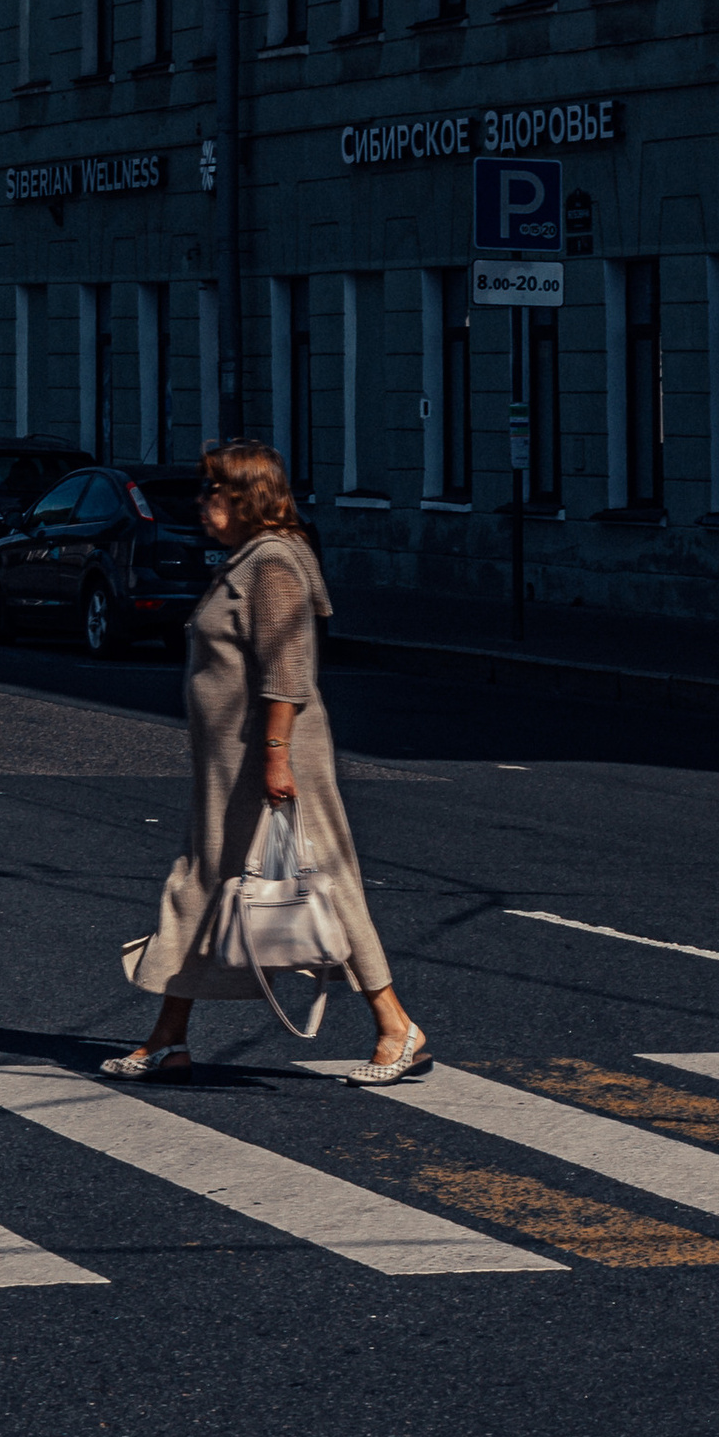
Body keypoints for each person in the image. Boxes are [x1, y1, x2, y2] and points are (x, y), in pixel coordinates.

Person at [114, 437, 426, 1087]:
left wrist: (277, 757)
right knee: (207, 884)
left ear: (247, 498)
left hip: (270, 763)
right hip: (232, 767)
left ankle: (397, 1025)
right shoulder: (248, 561)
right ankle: (168, 1039)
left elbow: (288, 670)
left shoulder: (275, 564)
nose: (201, 504)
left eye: (213, 493)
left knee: (325, 882)